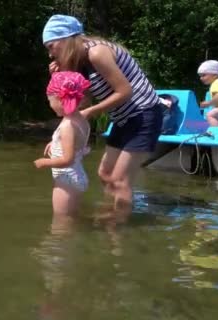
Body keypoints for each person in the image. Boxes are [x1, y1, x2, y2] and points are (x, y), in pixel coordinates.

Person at [41, 14, 164, 212]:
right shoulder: (80, 62)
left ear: (66, 39)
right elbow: (83, 100)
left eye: (51, 46)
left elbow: (125, 91)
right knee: (106, 174)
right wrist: (60, 74)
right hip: (123, 118)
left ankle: (116, 233)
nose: (50, 54)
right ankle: (113, 215)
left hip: (144, 114)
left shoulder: (97, 52)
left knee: (120, 180)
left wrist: (91, 112)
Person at [34, 71, 91, 216]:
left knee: (61, 223)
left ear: (60, 100)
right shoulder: (80, 119)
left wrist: (44, 162)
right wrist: (53, 143)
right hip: (77, 176)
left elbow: (68, 159)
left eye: (50, 101)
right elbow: (77, 144)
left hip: (66, 180)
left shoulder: (67, 127)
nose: (50, 105)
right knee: (72, 216)